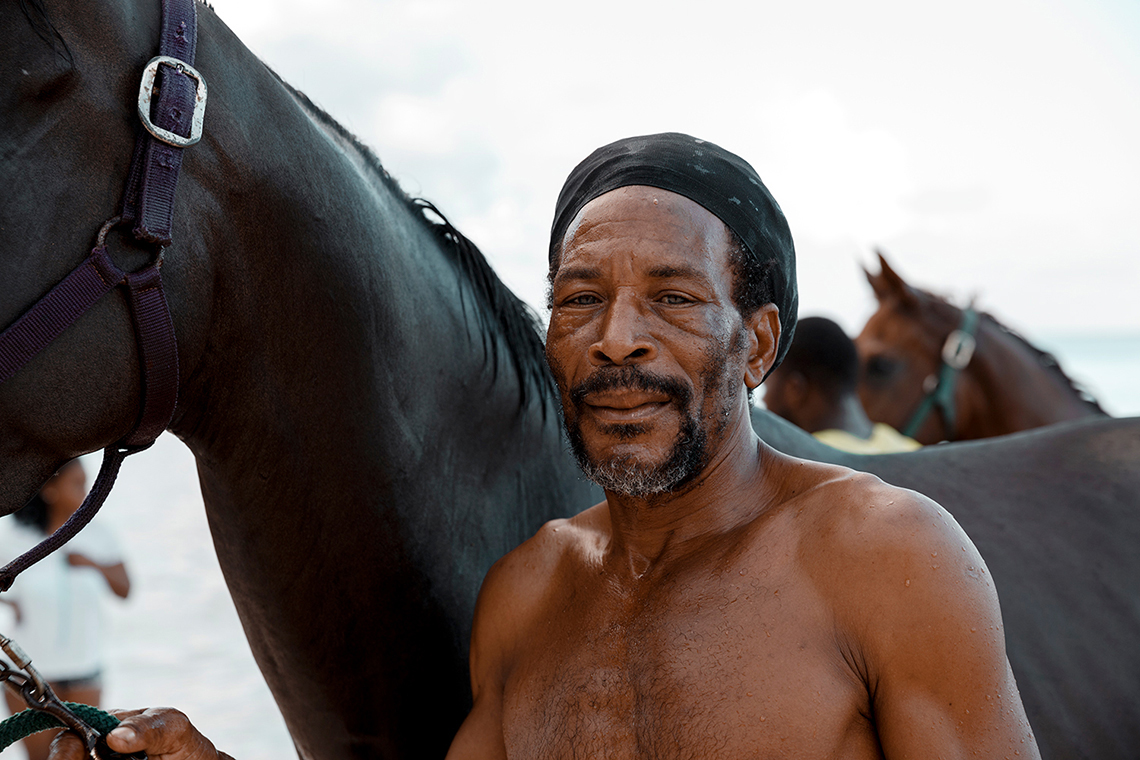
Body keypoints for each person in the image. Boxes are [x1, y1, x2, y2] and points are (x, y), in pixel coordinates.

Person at [47, 133, 1040, 760]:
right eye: (579, 300)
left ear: (760, 345)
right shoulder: (532, 591)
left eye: (674, 298)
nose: (617, 336)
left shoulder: (885, 553)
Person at [0, 459, 131, 760]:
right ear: (50, 490)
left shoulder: (99, 534)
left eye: (87, 483)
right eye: (77, 484)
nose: (86, 493)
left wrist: (93, 564)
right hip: (28, 673)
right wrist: (11, 602)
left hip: (84, 667)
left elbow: (125, 589)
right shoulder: (15, 538)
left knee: (84, 755)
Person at [763, 315, 921, 453]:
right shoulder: (915, 452)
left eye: (767, 386)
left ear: (795, 389)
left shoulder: (802, 465)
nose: (763, 398)